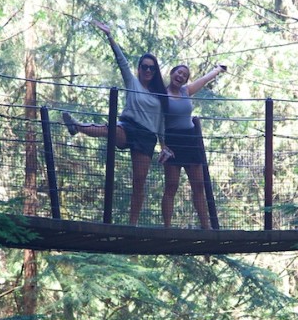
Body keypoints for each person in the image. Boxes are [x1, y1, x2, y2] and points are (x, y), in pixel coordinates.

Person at [62, 20, 173, 224]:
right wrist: (110, 36)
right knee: (108, 129)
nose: (148, 71)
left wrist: (163, 145)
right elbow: (121, 60)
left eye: (152, 68)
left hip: (147, 138)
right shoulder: (132, 82)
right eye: (144, 67)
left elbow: (161, 124)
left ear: (155, 72)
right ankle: (76, 126)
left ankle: (133, 224)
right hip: (128, 127)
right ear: (139, 69)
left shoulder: (159, 95)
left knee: (139, 182)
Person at [161, 62, 227, 229]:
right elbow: (156, 121)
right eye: (179, 72)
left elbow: (204, 80)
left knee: (198, 185)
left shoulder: (186, 91)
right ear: (172, 73)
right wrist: (161, 144)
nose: (181, 76)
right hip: (172, 142)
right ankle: (167, 228)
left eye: (185, 75)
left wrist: (218, 69)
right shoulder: (162, 95)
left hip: (190, 140)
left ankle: (206, 227)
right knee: (171, 186)